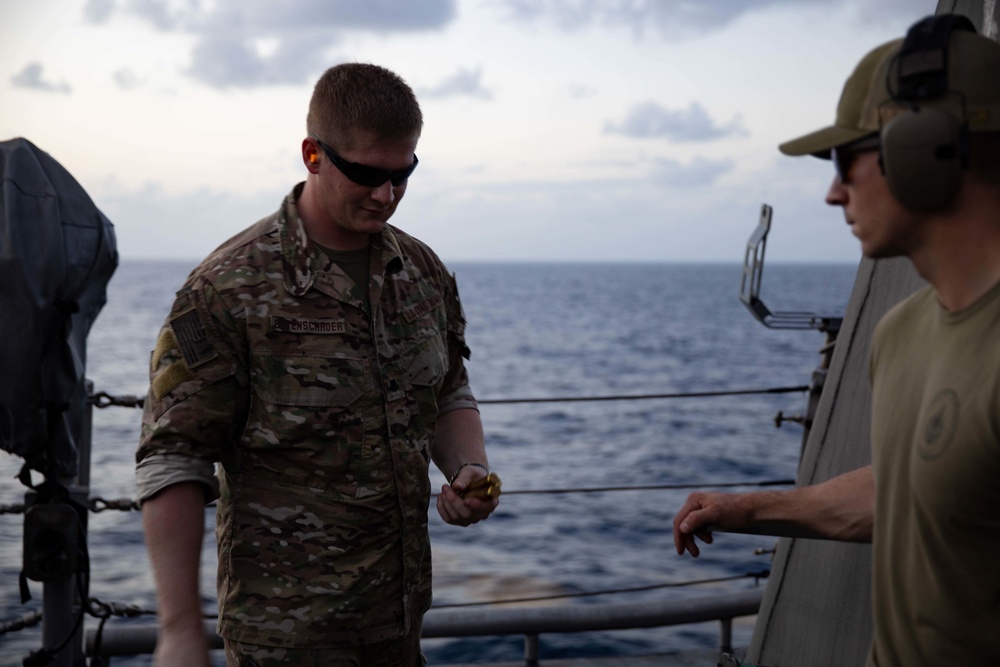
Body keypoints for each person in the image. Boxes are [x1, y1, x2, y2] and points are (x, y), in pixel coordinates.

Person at [136, 63, 498, 667]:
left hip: (400, 626)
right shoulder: (227, 288)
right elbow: (173, 456)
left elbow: (449, 390)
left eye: (402, 174)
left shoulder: (422, 273)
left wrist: (469, 470)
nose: (386, 195)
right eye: (365, 174)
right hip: (285, 638)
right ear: (312, 154)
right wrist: (178, 630)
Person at [673, 14, 1000, 666]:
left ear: (924, 147)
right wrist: (749, 508)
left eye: (845, 159)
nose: (832, 192)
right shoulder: (899, 333)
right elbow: (920, 492)